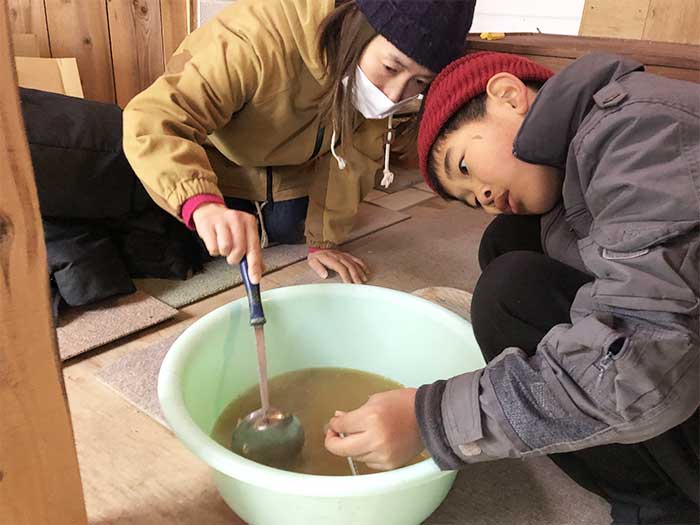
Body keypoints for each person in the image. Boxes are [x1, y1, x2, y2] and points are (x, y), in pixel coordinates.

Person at [325, 52, 699, 524]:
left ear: (507, 96)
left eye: (464, 167)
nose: (480, 196)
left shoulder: (642, 134)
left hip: (669, 373)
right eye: (466, 199)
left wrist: (431, 419)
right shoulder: (593, 140)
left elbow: (644, 363)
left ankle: (665, 508)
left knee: (507, 291)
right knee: (508, 239)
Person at [123, 0, 476, 285]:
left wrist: (322, 242)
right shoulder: (256, 38)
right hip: (217, 162)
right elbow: (154, 117)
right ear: (356, 26)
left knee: (287, 228)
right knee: (178, 240)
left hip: (289, 173)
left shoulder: (377, 81)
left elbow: (353, 159)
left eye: (418, 83)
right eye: (390, 67)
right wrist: (203, 205)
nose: (394, 94)